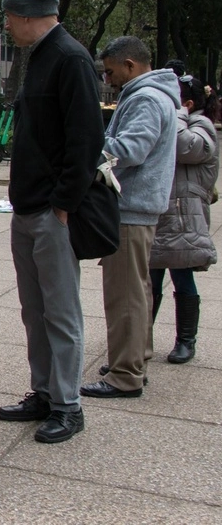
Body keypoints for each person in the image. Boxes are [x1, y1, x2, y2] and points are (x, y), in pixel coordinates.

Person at [0, 0, 104, 444]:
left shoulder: (70, 58)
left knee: (61, 312)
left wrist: (64, 204)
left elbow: (86, 141)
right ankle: (43, 392)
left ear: (26, 13)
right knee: (33, 310)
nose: (6, 26)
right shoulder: (37, 55)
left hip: (52, 212)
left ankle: (67, 404)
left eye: (8, 18)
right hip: (28, 207)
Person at [83, 36, 178, 399]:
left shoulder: (144, 98)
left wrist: (90, 153)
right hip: (140, 206)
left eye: (110, 71)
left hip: (131, 208)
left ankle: (125, 374)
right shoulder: (155, 95)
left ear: (130, 65)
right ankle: (134, 358)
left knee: (124, 294)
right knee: (138, 289)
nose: (108, 79)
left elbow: (131, 150)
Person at [147, 75, 217, 364]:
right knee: (149, 282)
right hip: (160, 212)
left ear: (187, 104)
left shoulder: (202, 127)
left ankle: (185, 340)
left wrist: (178, 115)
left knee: (183, 278)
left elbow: (185, 148)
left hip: (185, 217)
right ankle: (139, 339)